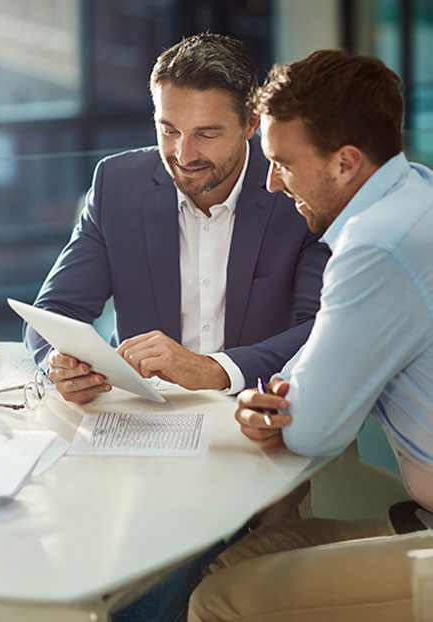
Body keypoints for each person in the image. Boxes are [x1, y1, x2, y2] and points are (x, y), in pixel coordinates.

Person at [188, 49, 433, 622]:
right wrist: (278, 398)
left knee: (218, 601)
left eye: (284, 163)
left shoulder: (376, 246)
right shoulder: (416, 190)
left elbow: (312, 428)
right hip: (421, 515)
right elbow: (310, 369)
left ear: (345, 163)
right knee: (236, 562)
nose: (271, 183)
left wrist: (279, 408)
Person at [24, 33, 329, 403]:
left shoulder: (296, 193)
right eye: (169, 130)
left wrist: (214, 370)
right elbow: (54, 311)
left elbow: (320, 329)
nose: (184, 155)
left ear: (251, 124)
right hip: (143, 410)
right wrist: (59, 363)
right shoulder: (116, 186)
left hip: (254, 408)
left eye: (206, 134)